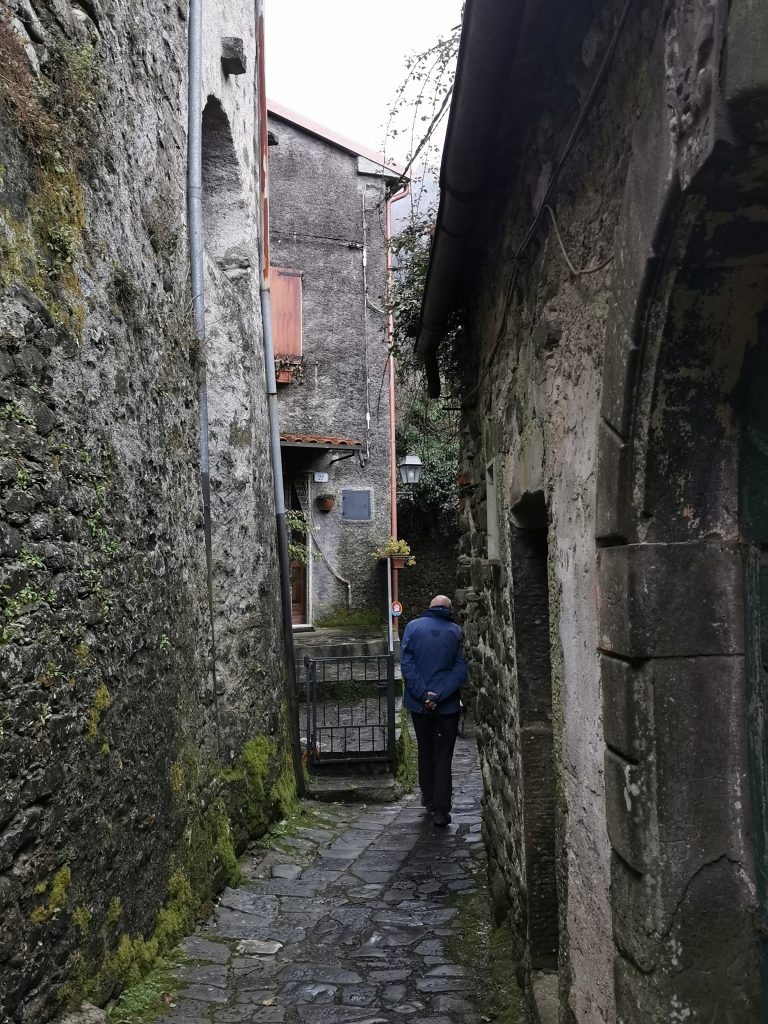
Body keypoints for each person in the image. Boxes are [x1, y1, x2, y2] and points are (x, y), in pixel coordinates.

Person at [400, 594, 468, 827]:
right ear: (448, 609)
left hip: (419, 705)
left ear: (430, 607)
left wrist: (423, 695)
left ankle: (428, 798)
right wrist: (439, 695)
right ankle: (441, 809)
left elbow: (407, 665)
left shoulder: (412, 627)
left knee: (425, 750)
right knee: (443, 755)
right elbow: (460, 669)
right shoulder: (455, 631)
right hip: (446, 706)